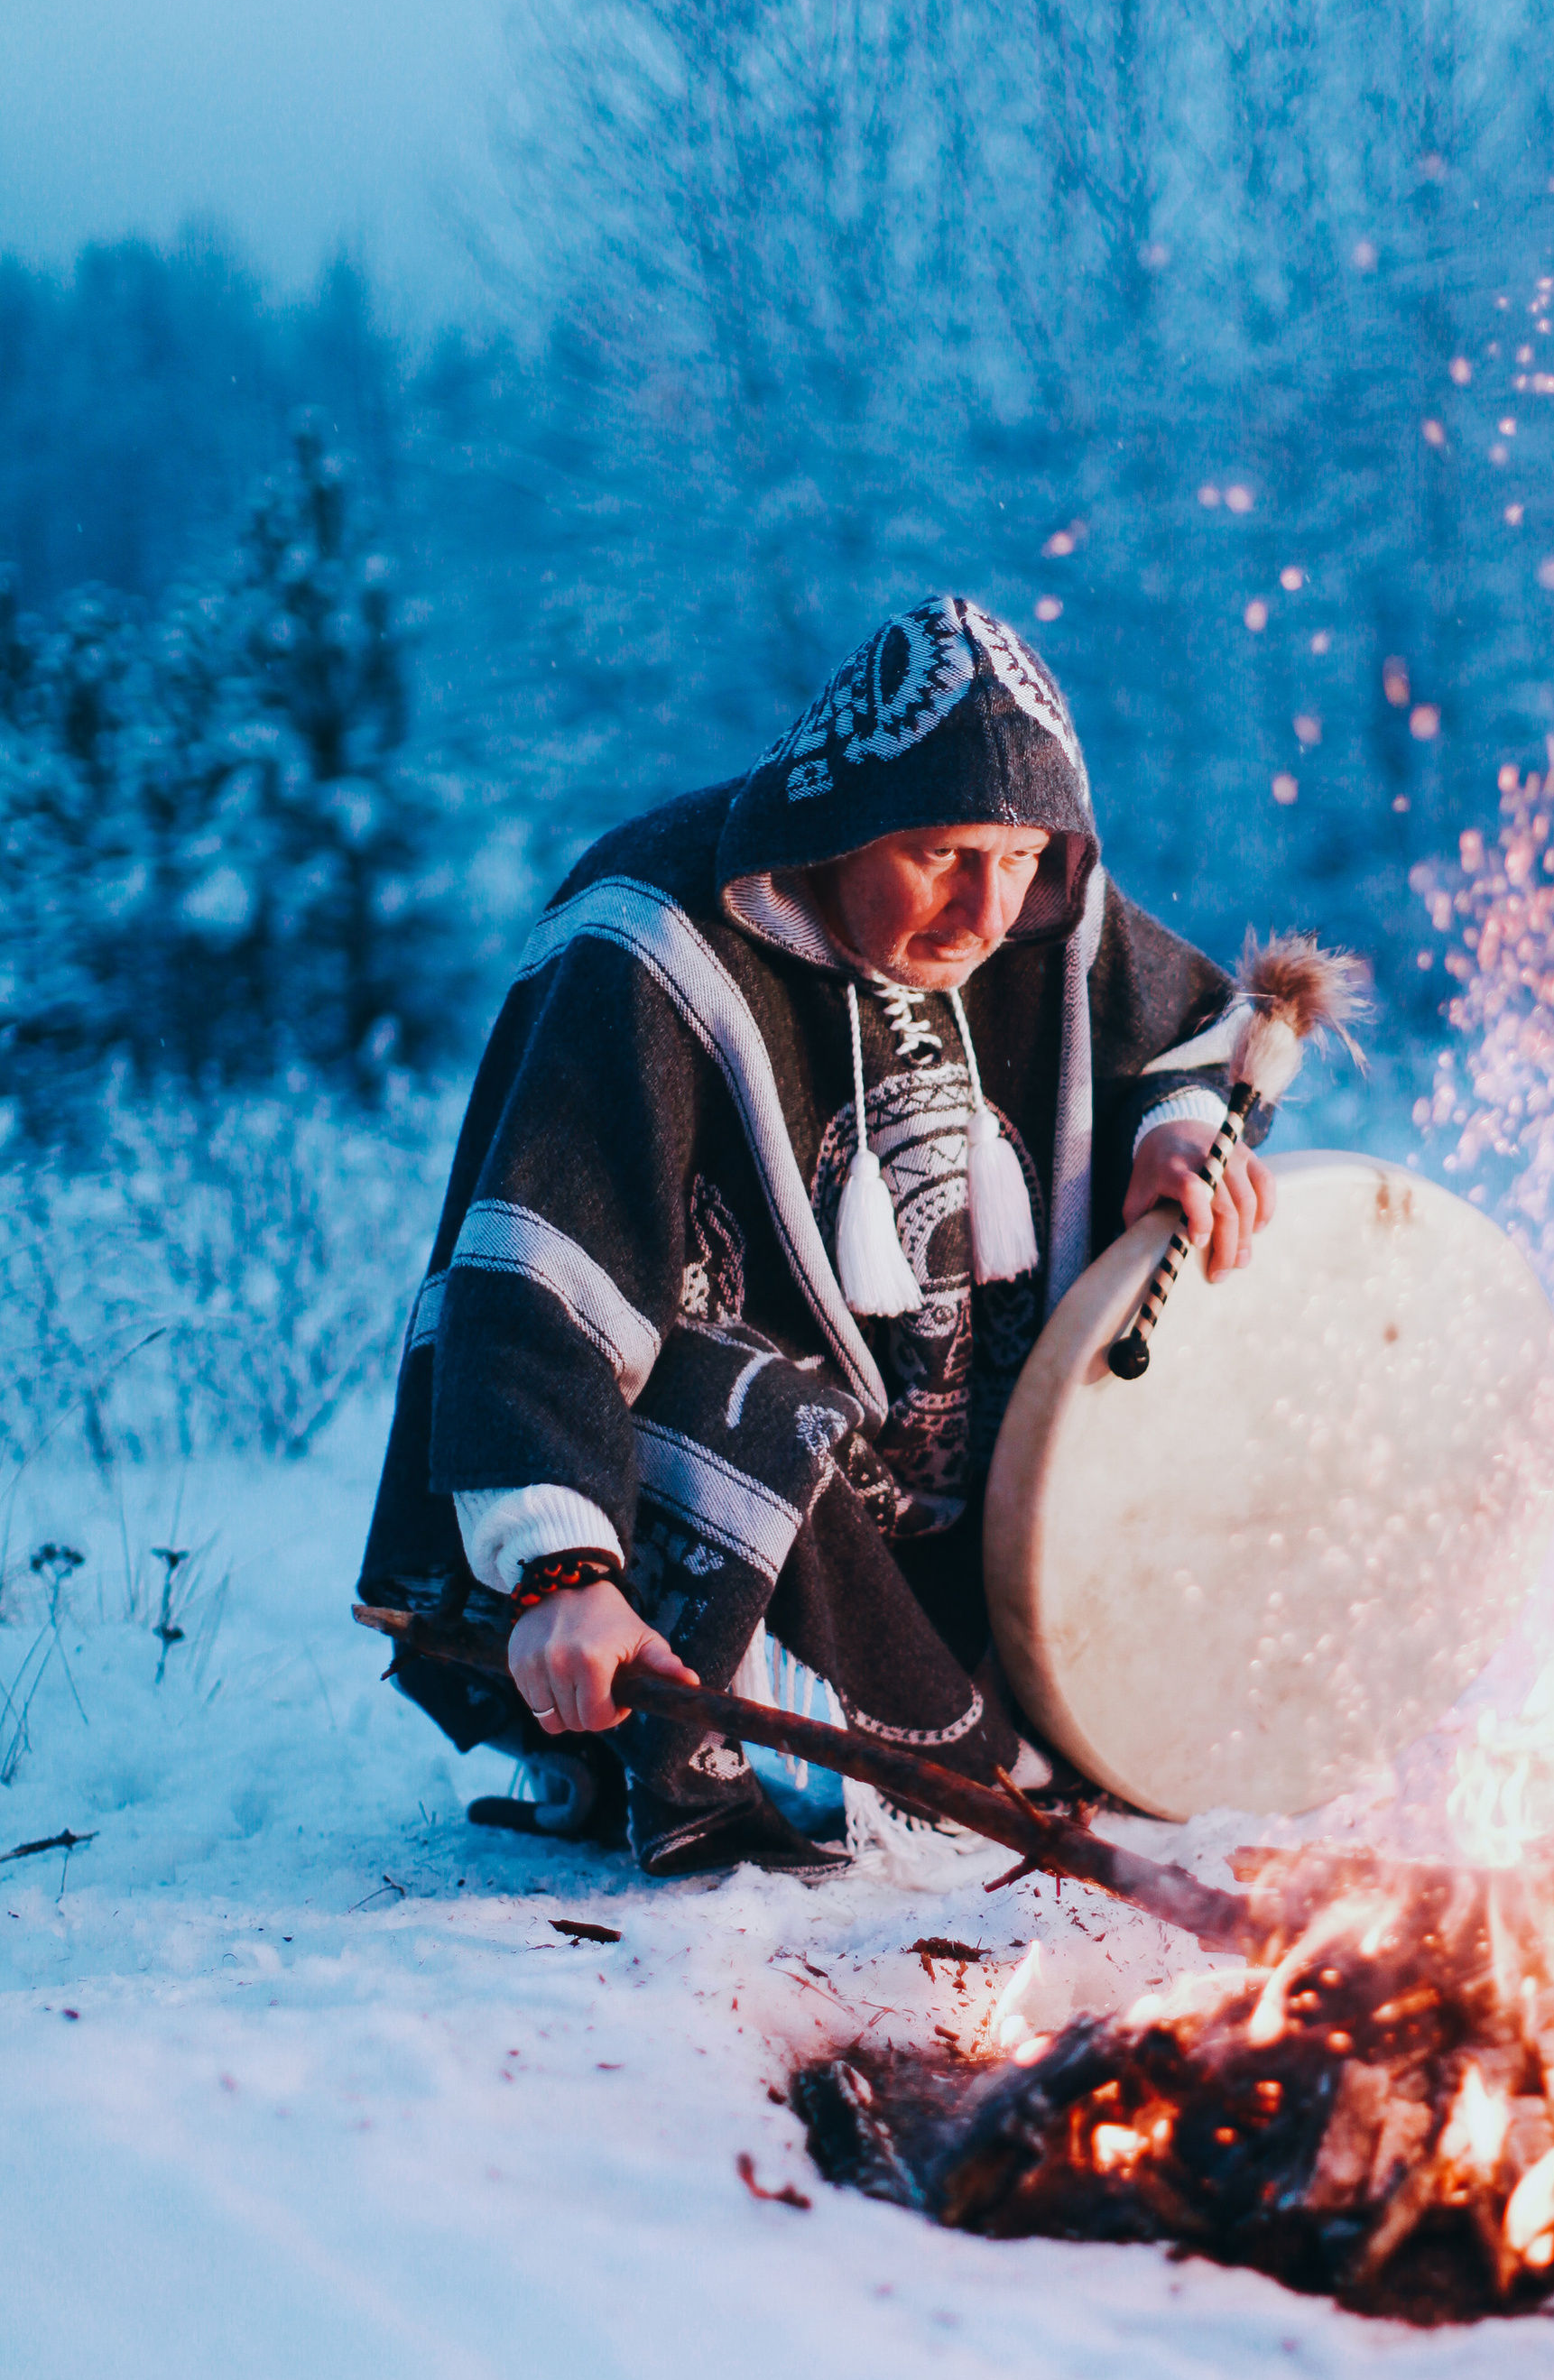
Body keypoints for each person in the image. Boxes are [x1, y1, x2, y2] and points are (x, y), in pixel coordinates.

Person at [358, 593, 1272, 1877]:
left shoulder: (1047, 918)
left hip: (950, 1512)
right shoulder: (650, 938)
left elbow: (1193, 1032)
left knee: (1037, 1764)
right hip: (675, 1513)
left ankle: (968, 1725)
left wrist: (1170, 1134)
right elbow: (540, 1263)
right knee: (734, 1408)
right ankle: (663, 1757)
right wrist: (560, 1577)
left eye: (1018, 857)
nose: (983, 911)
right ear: (840, 821)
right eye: (945, 854)